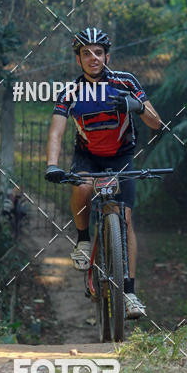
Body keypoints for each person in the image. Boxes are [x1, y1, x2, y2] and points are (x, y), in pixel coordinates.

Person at [45, 27, 163, 319]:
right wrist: (52, 164)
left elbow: (156, 123)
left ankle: (130, 293)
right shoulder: (70, 92)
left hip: (122, 156)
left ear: (107, 56)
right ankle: (83, 238)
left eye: (98, 52)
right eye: (86, 53)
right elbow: (57, 132)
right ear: (79, 60)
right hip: (88, 156)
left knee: (125, 218)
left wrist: (134, 105)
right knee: (82, 187)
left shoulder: (126, 81)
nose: (93, 58)